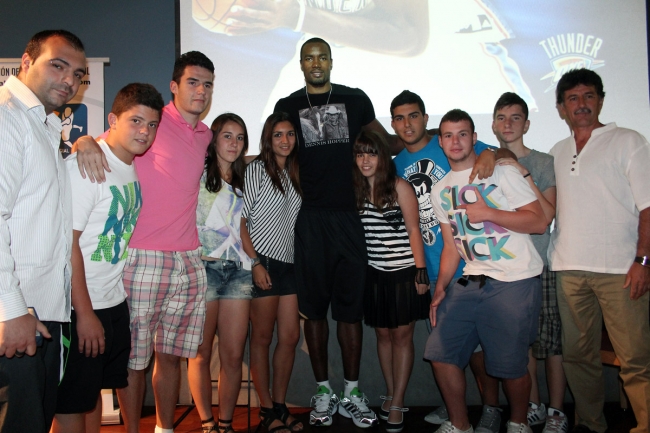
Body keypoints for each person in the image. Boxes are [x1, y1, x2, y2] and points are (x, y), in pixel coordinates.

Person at [75, 51, 215, 433]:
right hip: (143, 259)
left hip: (189, 261)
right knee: (134, 362)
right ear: (174, 87)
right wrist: (82, 140)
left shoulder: (205, 134)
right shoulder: (152, 121)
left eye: (207, 84)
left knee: (170, 357)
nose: (201, 91)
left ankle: (164, 429)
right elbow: (102, 143)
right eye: (192, 82)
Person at [390, 90, 507, 428]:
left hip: (471, 265)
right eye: (399, 118)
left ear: (426, 119)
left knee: (480, 350)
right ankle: (454, 407)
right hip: (433, 268)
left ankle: (490, 408)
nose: (407, 123)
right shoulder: (396, 165)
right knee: (446, 348)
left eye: (414, 115)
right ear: (393, 124)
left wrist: (494, 153)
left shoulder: (447, 143)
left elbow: (500, 153)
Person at [51, 83, 164, 433]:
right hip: (80, 306)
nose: (144, 132)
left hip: (113, 301)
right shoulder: (87, 166)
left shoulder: (127, 165)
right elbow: (67, 244)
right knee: (71, 405)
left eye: (152, 124)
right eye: (136, 121)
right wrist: (84, 313)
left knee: (92, 395)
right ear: (113, 120)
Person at [427, 109, 547, 433]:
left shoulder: (501, 172)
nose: (455, 141)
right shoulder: (440, 190)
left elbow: (539, 221)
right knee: (440, 352)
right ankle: (460, 425)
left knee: (509, 365)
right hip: (472, 278)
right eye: (448, 135)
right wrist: (441, 287)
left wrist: (489, 212)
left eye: (462, 134)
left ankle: (518, 423)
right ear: (441, 142)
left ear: (474, 138)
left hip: (515, 278)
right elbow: (451, 246)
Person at [548, 68, 650, 433]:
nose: (581, 104)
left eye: (588, 96)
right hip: (569, 269)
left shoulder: (628, 141)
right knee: (578, 357)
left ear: (601, 101)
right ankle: (591, 424)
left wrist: (642, 260)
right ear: (561, 108)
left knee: (636, 358)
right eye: (572, 98)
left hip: (621, 271)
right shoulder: (557, 152)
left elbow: (648, 207)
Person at [0, 29, 86, 433]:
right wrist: (11, 308)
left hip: (45, 315)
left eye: (79, 74)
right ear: (26, 61)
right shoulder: (7, 117)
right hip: (18, 317)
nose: (70, 80)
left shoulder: (45, 127)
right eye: (58, 65)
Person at [491, 92, 567, 432]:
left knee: (550, 343)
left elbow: (547, 215)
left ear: (527, 124)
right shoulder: (487, 162)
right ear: (493, 125)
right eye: (501, 117)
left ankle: (556, 410)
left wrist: (521, 172)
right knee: (522, 343)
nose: (508, 124)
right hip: (507, 267)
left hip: (541, 263)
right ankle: (533, 404)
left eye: (515, 117)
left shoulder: (542, 162)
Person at [352, 130, 431, 433]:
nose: (365, 160)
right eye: (360, 154)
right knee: (383, 337)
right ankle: (390, 391)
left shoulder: (400, 186)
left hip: (404, 273)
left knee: (402, 338)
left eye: (371, 154)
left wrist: (420, 273)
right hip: (375, 274)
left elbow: (414, 230)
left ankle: (398, 401)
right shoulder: (357, 189)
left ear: (383, 156)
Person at [241, 112, 303, 433]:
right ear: (268, 138)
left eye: (290, 134)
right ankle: (266, 411)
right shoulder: (256, 170)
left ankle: (279, 405)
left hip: (290, 264)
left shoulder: (295, 170)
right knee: (262, 339)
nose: (285, 140)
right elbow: (240, 220)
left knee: (290, 337)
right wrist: (254, 262)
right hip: (262, 262)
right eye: (278, 134)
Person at [190, 113, 251, 433]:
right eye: (227, 136)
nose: (234, 143)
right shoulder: (195, 172)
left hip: (238, 272)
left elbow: (244, 228)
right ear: (213, 140)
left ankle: (225, 424)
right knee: (200, 354)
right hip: (203, 269)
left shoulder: (245, 179)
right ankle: (207, 423)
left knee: (233, 354)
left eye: (240, 138)